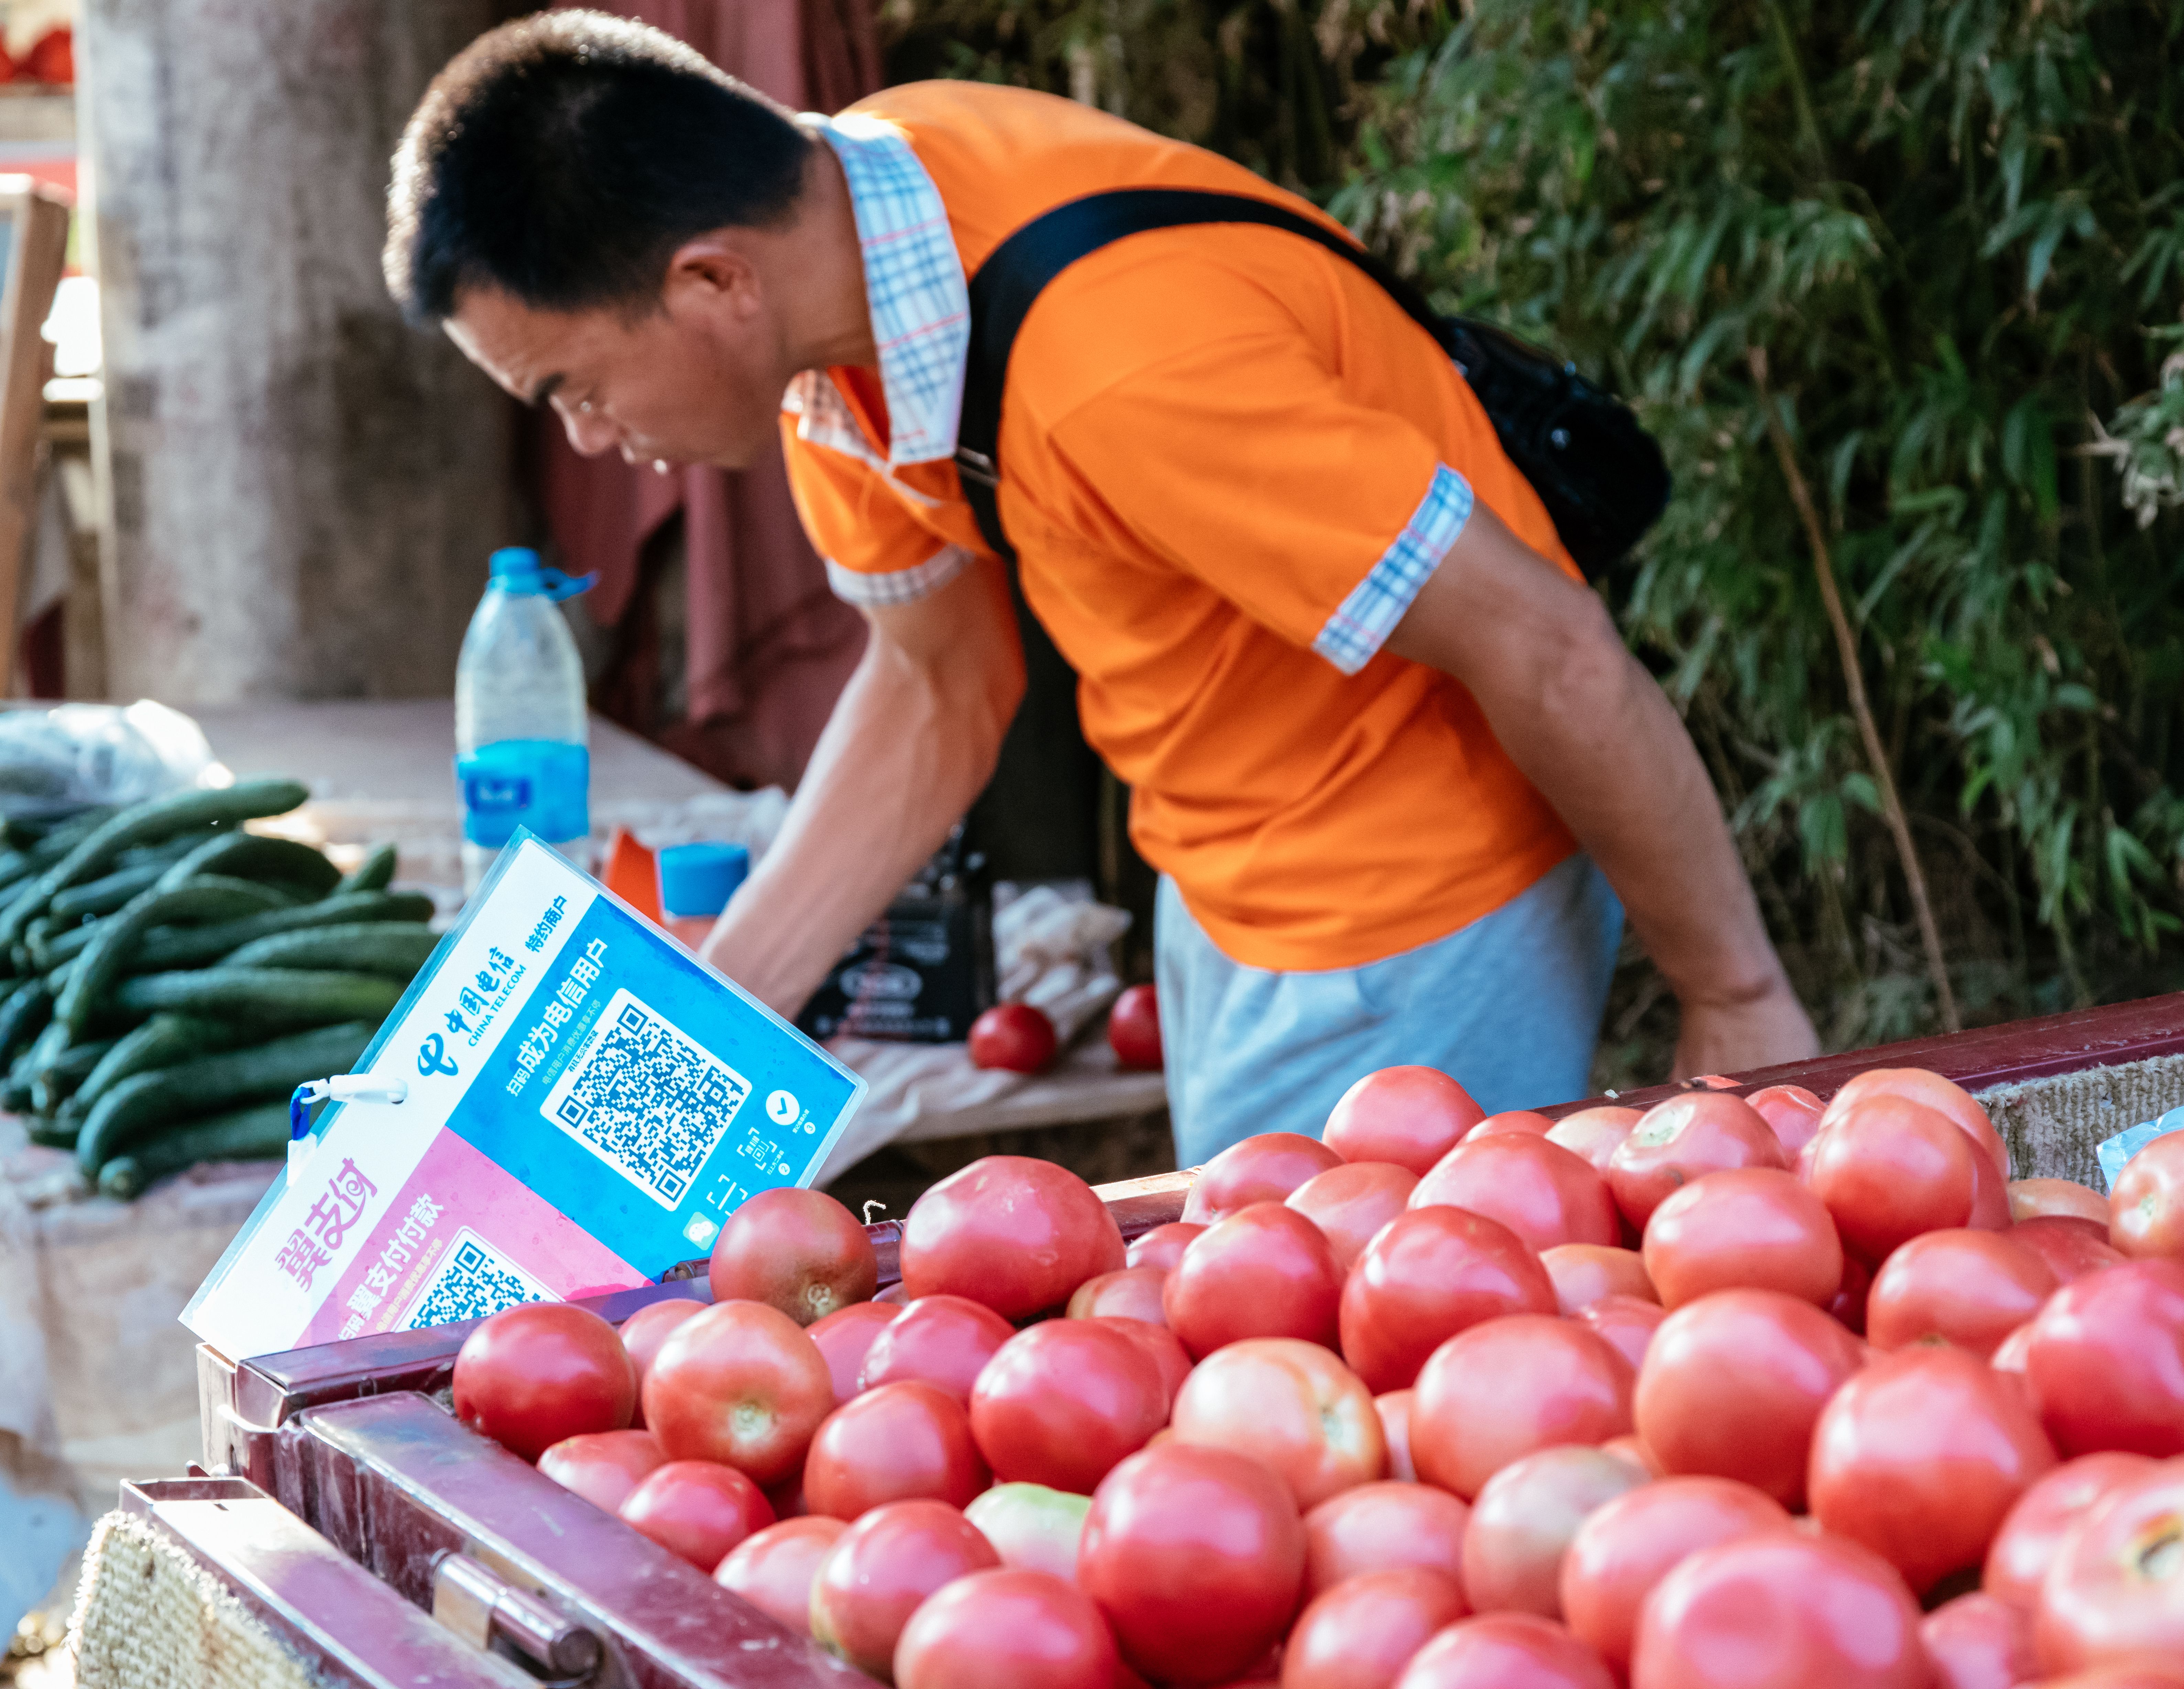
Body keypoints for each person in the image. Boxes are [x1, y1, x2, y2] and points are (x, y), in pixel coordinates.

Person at [384, 11, 1820, 1162]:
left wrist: (1735, 992)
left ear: (711, 285)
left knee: (1363, 1440)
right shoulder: (851, 272)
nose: (586, 439)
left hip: (1402, 911)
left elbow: (1551, 646)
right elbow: (942, 685)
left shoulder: (1121, 370)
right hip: (1216, 874)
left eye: (571, 387)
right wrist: (701, 1038)